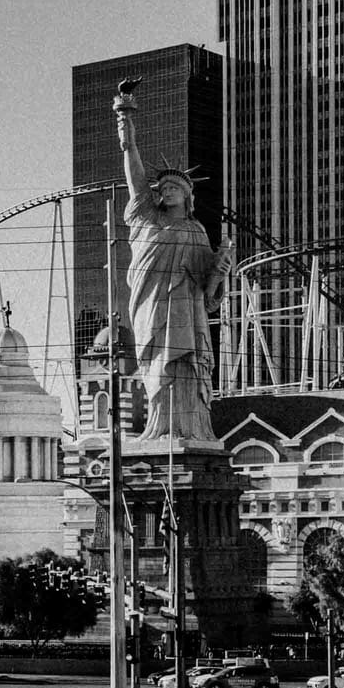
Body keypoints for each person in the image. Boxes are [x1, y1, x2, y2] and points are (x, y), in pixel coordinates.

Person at [114, 85, 233, 442]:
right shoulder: (146, 218)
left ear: (187, 196)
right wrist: (125, 121)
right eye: (162, 188)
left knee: (187, 366)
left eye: (173, 188)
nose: (165, 192)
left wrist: (218, 272)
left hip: (187, 309)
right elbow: (134, 170)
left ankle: (192, 429)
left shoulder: (196, 230)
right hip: (152, 305)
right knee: (156, 366)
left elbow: (208, 294)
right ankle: (159, 428)